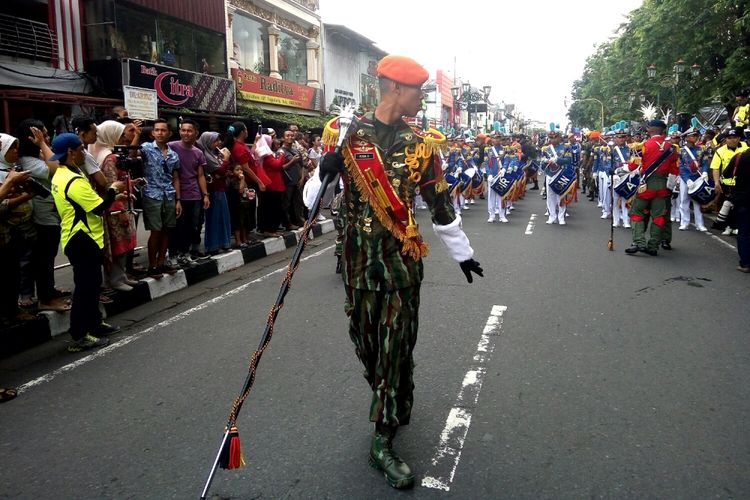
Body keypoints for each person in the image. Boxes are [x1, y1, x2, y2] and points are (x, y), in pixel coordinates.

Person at [317, 54, 483, 489]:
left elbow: (441, 204)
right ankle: (393, 396)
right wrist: (323, 174)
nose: (422, 100)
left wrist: (462, 253)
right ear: (394, 88)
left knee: (395, 349)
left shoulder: (423, 143)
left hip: (401, 267)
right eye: (418, 92)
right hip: (356, 264)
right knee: (367, 346)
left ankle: (383, 438)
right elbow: (309, 202)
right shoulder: (344, 135)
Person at [48, 134, 122, 352]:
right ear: (70, 152)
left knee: (92, 285)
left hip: (86, 236)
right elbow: (98, 208)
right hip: (81, 238)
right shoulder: (71, 180)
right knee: (84, 288)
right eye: (81, 149)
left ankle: (95, 323)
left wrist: (113, 197)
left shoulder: (67, 172)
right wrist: (113, 189)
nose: (84, 152)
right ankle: (79, 335)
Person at [15, 119, 71, 311]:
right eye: (43, 135)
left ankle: (50, 291)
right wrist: (42, 145)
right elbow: (56, 169)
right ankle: (46, 298)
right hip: (43, 217)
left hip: (51, 213)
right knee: (44, 258)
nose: (47, 139)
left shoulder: (38, 156)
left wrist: (42, 147)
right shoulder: (27, 161)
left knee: (49, 255)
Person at [89, 120, 139, 291]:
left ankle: (120, 275)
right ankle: (115, 279)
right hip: (114, 206)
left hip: (116, 202)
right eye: (120, 133)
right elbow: (111, 185)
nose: (123, 136)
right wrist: (120, 209)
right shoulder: (109, 158)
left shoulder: (104, 153)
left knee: (122, 242)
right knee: (119, 244)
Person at [619, 120, 679, 256]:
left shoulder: (642, 146)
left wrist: (619, 170)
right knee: (658, 216)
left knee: (636, 212)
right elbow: (675, 170)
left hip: (646, 186)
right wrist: (671, 188)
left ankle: (639, 242)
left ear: (649, 130)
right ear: (663, 131)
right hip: (663, 186)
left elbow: (631, 167)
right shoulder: (672, 147)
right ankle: (653, 246)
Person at [140, 118, 180, 278]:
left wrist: (178, 200)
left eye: (163, 130)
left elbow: (175, 177)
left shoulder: (173, 155)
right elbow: (132, 154)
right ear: (152, 133)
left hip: (169, 194)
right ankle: (152, 265)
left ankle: (162, 262)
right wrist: (136, 135)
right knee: (155, 231)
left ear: (169, 133)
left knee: (167, 230)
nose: (160, 133)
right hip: (152, 194)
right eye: (157, 130)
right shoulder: (146, 148)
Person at [168, 119, 210, 266]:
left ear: (196, 133)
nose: (186, 133)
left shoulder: (198, 153)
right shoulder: (171, 147)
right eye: (183, 130)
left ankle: (185, 254)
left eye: (189, 130)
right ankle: (172, 255)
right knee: (176, 226)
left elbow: (200, 175)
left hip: (194, 194)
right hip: (176, 194)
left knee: (192, 226)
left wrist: (205, 195)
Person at [196, 131, 232, 255]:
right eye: (215, 141)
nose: (218, 143)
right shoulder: (205, 155)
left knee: (223, 217)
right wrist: (225, 160)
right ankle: (213, 246)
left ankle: (223, 243)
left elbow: (223, 172)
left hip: (220, 188)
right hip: (213, 190)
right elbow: (220, 171)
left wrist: (223, 168)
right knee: (214, 218)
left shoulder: (214, 154)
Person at [711, 126, 749, 235]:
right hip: (727, 184)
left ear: (739, 138)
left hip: (742, 184)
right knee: (726, 205)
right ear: (725, 140)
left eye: (735, 137)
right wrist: (717, 182)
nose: (733, 140)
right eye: (730, 138)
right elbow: (716, 168)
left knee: (739, 207)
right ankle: (727, 226)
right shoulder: (720, 151)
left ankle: (736, 226)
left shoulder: (746, 148)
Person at [677, 127, 708, 231]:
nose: (695, 137)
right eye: (693, 135)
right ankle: (684, 222)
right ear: (686, 138)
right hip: (685, 178)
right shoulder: (680, 151)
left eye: (696, 135)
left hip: (698, 178)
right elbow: (680, 167)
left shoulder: (701, 149)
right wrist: (687, 180)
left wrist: (704, 172)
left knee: (697, 201)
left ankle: (700, 224)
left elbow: (704, 162)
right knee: (684, 200)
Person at [541, 130, 573, 225]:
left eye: (555, 137)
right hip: (550, 174)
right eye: (551, 138)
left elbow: (568, 160)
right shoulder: (545, 149)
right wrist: (546, 161)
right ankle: (552, 216)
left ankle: (561, 217)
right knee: (550, 196)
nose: (553, 140)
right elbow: (542, 162)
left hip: (561, 174)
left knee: (561, 195)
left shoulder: (566, 147)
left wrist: (557, 159)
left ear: (559, 138)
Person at [730, 148, 750, 272]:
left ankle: (746, 263)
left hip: (743, 199)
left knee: (743, 233)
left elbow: (727, 174)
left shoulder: (740, 156)